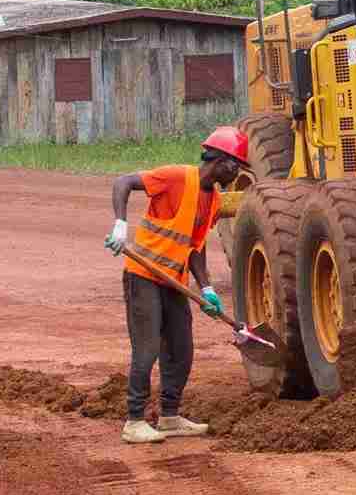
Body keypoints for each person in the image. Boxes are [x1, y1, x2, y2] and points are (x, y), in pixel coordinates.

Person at [103, 125, 254, 445]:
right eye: (237, 166)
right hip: (143, 276)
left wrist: (207, 288)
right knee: (147, 349)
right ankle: (134, 421)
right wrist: (120, 224)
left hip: (173, 281)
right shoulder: (176, 177)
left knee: (181, 349)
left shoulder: (213, 199)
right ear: (222, 161)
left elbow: (195, 247)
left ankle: (169, 417)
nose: (237, 173)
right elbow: (123, 182)